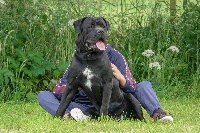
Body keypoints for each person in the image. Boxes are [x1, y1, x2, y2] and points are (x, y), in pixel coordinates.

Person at [38, 44, 173, 123]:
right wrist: (76, 86)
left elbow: (132, 87)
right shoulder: (79, 58)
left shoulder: (116, 57)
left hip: (113, 102)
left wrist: (120, 78)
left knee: (144, 85)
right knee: (43, 95)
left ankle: (158, 113)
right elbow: (58, 90)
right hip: (83, 104)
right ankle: (70, 116)